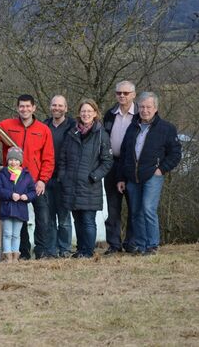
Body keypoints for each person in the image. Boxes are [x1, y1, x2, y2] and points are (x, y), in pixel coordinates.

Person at [117, 92, 181, 255]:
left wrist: (161, 169)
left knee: (148, 209)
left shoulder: (166, 128)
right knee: (136, 211)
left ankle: (152, 245)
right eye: (142, 107)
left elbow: (175, 153)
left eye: (148, 107)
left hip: (152, 175)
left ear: (155, 108)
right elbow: (124, 153)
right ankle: (140, 245)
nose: (145, 110)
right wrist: (121, 178)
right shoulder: (133, 126)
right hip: (132, 177)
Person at [0, 94, 55, 259]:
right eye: (21, 106)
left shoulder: (43, 130)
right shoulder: (7, 125)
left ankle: (42, 251)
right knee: (18, 218)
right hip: (15, 183)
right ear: (17, 108)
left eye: (28, 106)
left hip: (35, 181)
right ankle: (22, 252)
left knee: (43, 217)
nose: (25, 109)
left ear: (34, 108)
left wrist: (43, 180)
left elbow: (49, 157)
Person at [58, 99, 113, 258]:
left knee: (88, 220)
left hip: (89, 185)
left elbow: (108, 161)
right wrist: (63, 176)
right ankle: (80, 250)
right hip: (71, 185)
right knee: (77, 220)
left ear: (95, 113)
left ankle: (88, 251)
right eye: (83, 111)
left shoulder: (101, 134)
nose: (86, 114)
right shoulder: (72, 132)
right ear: (79, 113)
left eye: (89, 111)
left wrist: (94, 176)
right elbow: (63, 157)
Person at [102, 81, 140, 255]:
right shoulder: (110, 114)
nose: (122, 96)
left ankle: (132, 243)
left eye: (126, 93)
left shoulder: (141, 114)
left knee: (134, 207)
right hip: (112, 164)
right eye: (119, 93)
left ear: (133, 94)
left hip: (133, 166)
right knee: (112, 207)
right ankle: (114, 244)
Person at [44, 95, 76, 257]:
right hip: (46, 178)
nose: (57, 108)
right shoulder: (44, 125)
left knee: (64, 218)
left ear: (66, 108)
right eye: (54, 105)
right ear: (50, 107)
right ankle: (51, 250)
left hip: (65, 178)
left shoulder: (73, 126)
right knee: (48, 217)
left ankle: (64, 249)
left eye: (60, 105)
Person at [0, 147, 36, 263]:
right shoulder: (2, 174)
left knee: (16, 234)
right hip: (6, 209)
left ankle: (15, 256)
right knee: (7, 233)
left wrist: (27, 197)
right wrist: (10, 195)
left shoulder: (26, 175)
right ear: (8, 161)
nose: (13, 162)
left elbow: (32, 191)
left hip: (20, 210)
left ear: (20, 161)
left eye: (16, 160)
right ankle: (8, 257)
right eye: (11, 160)